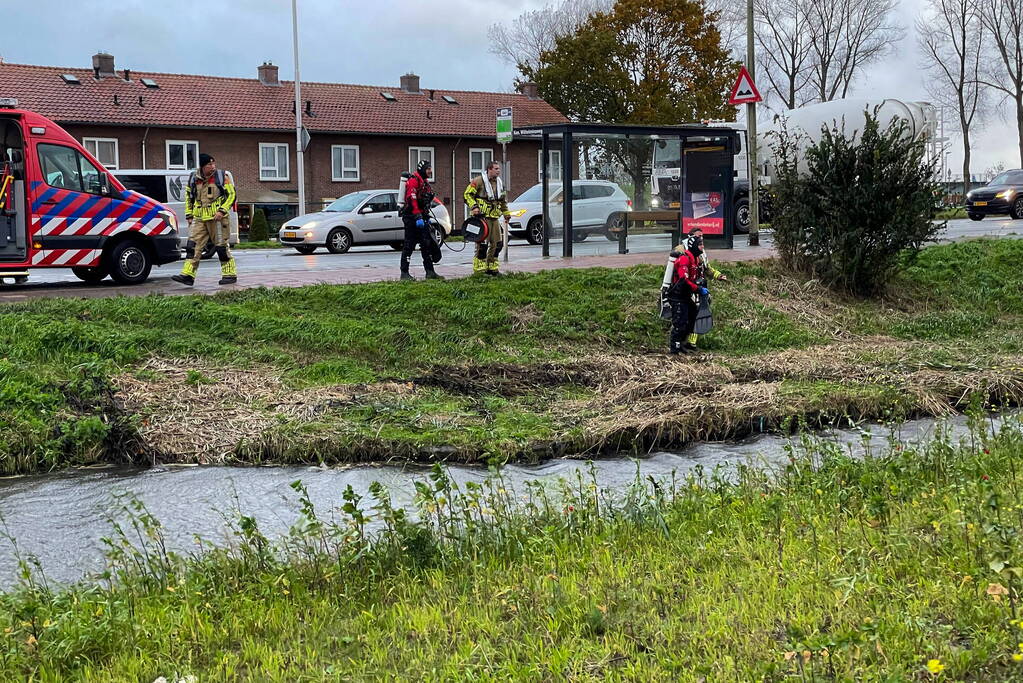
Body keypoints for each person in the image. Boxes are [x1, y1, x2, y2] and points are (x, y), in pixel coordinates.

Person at [172, 154, 238, 286]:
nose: (213, 167)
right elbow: (189, 197)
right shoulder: (193, 178)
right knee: (192, 247)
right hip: (200, 218)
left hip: (218, 219)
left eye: (214, 164)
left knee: (221, 248)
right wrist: (189, 215)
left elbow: (232, 195)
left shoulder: (222, 177)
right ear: (202, 166)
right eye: (209, 164)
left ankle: (229, 275)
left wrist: (222, 211)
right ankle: (188, 275)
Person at [679, 228, 728, 350]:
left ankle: (691, 342)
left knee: (698, 312)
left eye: (702, 236)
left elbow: (707, 269)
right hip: (687, 288)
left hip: (699, 287)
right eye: (698, 236)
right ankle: (680, 342)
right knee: (687, 315)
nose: (701, 239)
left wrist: (719, 275)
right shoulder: (682, 251)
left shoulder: (701, 251)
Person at [464, 161, 511, 275]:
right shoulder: (478, 181)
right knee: (482, 245)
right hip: (482, 218)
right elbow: (467, 195)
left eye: (499, 169)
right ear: (489, 169)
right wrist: (474, 207)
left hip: (494, 217)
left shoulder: (500, 183)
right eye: (496, 168)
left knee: (497, 244)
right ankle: (479, 270)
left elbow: (503, 200)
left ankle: (492, 268)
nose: (498, 171)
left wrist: (506, 213)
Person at [400, 159, 443, 281]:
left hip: (422, 216)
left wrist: (425, 215)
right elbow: (411, 198)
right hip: (411, 217)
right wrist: (417, 216)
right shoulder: (414, 180)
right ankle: (404, 273)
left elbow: (425, 200)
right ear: (423, 169)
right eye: (429, 169)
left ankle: (430, 271)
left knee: (426, 244)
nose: (430, 171)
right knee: (409, 244)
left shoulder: (425, 182)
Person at [665, 237, 705, 354]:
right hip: (677, 295)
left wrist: (701, 286)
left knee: (692, 317)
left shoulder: (696, 259)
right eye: (700, 245)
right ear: (693, 246)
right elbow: (684, 279)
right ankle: (674, 348)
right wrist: (697, 288)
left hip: (686, 295)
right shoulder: (684, 259)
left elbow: (697, 276)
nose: (702, 247)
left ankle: (681, 343)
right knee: (680, 322)